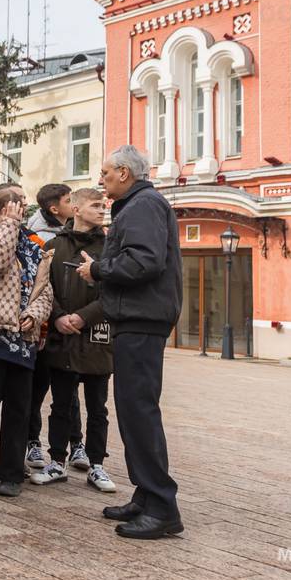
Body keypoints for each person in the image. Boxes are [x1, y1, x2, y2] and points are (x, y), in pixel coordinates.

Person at [76, 145, 184, 539]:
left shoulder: (142, 206)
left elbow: (144, 261)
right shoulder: (140, 204)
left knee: (139, 412)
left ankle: (162, 506)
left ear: (124, 173)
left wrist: (98, 269)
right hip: (137, 318)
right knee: (134, 411)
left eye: (105, 173)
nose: (100, 180)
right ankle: (146, 495)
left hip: (142, 320)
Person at [0, 185, 54, 497]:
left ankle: (11, 474)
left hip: (23, 339)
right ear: (2, 208)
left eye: (25, 203)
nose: (25, 207)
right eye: (18, 203)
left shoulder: (34, 244)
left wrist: (36, 313)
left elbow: (45, 289)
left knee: (19, 409)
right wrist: (8, 227)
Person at [30, 188, 117, 494]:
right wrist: (57, 317)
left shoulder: (110, 247)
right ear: (77, 209)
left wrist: (83, 317)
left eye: (103, 204)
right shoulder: (55, 246)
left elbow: (115, 293)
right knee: (61, 405)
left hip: (97, 338)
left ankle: (97, 465)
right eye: (96, 205)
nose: (102, 209)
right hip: (61, 338)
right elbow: (43, 287)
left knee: (98, 408)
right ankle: (56, 461)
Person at [25, 183, 84, 474]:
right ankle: (32, 439)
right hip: (46, 323)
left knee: (69, 390)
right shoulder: (39, 237)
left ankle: (77, 443)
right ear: (53, 208)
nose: (73, 203)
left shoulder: (78, 232)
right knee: (37, 389)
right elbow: (42, 284)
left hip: (71, 327)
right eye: (67, 200)